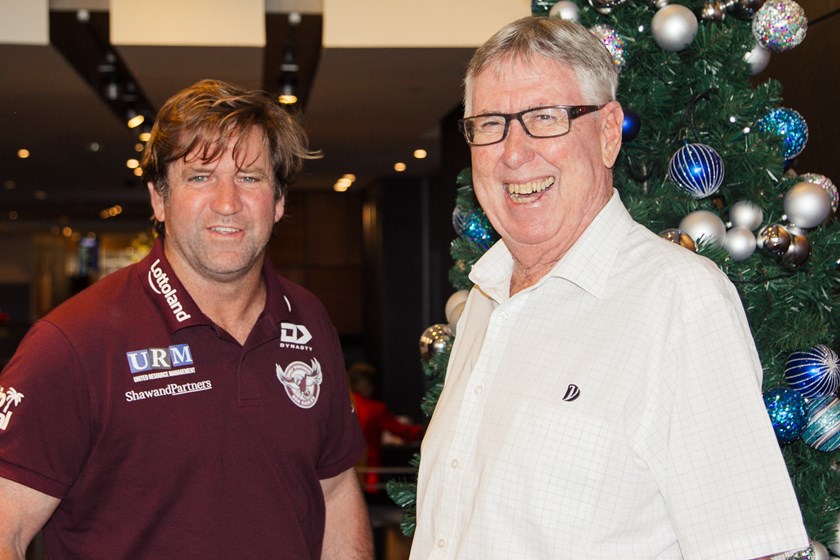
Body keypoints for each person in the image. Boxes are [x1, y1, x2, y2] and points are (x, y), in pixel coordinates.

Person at [410, 17, 810, 560]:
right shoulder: (485, 299)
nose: (513, 152)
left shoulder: (679, 300)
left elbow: (748, 549)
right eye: (490, 124)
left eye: (545, 117)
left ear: (607, 133)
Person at [0, 79, 373, 559]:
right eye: (200, 177)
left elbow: (335, 490)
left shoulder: (309, 319)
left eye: (250, 177)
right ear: (159, 198)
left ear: (279, 201)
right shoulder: (72, 342)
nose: (227, 202)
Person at [347, 362, 424, 496]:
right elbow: (404, 432)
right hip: (366, 475)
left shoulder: (341, 406)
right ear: (368, 384)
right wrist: (425, 431)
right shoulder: (373, 409)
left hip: (342, 474)